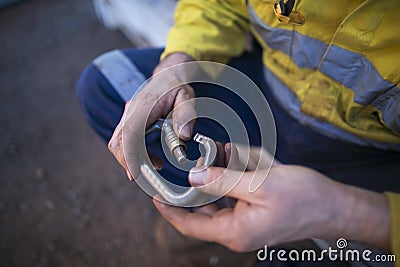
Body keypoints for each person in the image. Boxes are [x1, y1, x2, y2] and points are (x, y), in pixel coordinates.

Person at [76, 0, 400, 265]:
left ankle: (289, 237)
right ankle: (214, 214)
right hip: (267, 92)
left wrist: (346, 213)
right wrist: (177, 62)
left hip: (369, 156)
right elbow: (219, 5)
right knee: (106, 82)